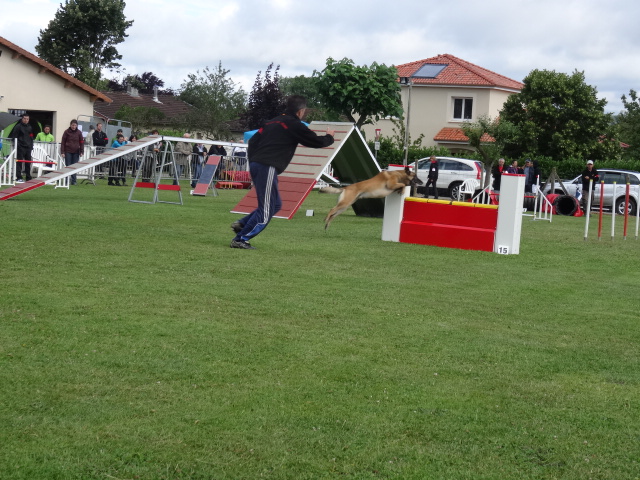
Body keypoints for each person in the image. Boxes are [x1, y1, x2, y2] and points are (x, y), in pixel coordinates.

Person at [230, 95, 335, 249]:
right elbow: (315, 141)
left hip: (257, 164)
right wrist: (329, 137)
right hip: (267, 166)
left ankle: (242, 224)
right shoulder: (294, 124)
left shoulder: (271, 122)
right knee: (267, 210)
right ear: (301, 111)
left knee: (276, 204)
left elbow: (252, 141)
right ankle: (240, 239)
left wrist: (253, 161)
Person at [10, 113, 34, 183]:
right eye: (25, 119)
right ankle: (19, 177)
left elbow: (31, 136)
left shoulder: (30, 127)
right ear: (22, 119)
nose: (26, 120)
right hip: (20, 147)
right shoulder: (18, 127)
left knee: (28, 163)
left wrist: (31, 146)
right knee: (19, 162)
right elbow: (14, 137)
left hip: (28, 147)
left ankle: (28, 177)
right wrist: (18, 146)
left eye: (27, 119)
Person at [60, 119, 84, 185]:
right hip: (68, 151)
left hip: (76, 152)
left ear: (77, 126)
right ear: (70, 125)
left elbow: (81, 142)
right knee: (68, 166)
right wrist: (62, 152)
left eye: (75, 125)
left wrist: (82, 151)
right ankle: (66, 180)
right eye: (72, 125)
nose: (73, 127)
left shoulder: (79, 133)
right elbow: (63, 142)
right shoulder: (66, 132)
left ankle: (73, 181)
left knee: (74, 166)